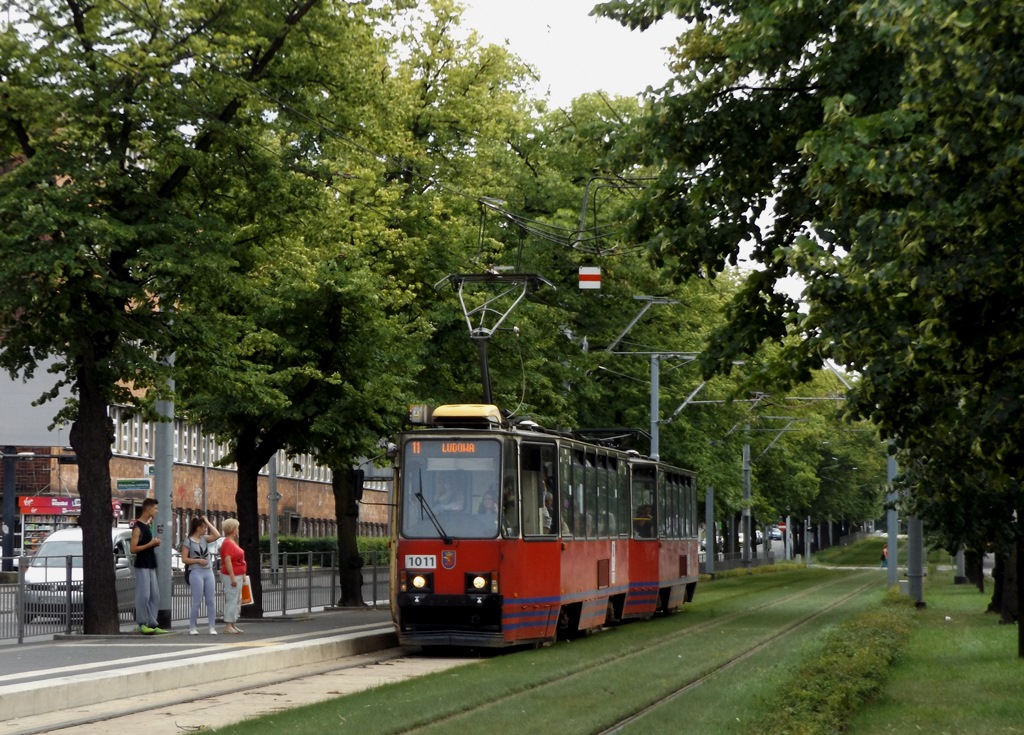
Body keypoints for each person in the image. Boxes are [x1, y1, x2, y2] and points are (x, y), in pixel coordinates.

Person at [130, 498, 167, 634]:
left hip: (150, 563)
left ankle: (152, 623)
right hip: (142, 565)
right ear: (148, 509)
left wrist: (153, 543)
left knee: (154, 594)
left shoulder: (147, 526)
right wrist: (151, 544)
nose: (156, 511)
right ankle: (142, 623)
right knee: (143, 595)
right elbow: (133, 549)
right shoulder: (137, 527)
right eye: (155, 508)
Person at [182, 514, 221, 635]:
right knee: (197, 600)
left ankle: (212, 626)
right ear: (198, 528)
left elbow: (217, 535)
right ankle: (192, 627)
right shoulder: (188, 541)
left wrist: (207, 521)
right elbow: (184, 559)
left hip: (208, 571)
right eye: (204, 527)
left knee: (210, 600)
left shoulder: (205, 539)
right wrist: (198, 560)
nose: (205, 530)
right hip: (196, 572)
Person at [219, 518, 246, 634]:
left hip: (237, 574)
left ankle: (232, 623)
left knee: (236, 599)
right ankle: (228, 624)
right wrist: (232, 577)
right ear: (234, 530)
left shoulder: (232, 542)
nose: (238, 530)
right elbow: (227, 560)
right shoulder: (228, 543)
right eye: (237, 528)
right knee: (232, 599)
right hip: (232, 575)